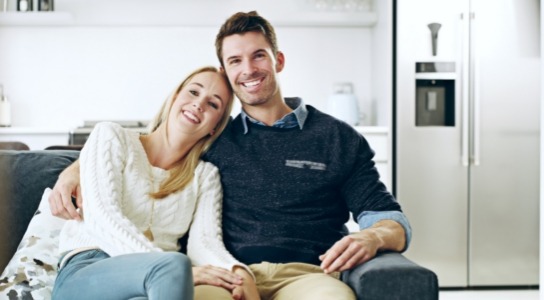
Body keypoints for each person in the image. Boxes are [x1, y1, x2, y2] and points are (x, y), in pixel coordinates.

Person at [49, 11, 412, 300]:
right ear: (227, 70)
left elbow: (388, 217)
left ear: (278, 60)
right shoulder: (216, 141)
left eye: (259, 56)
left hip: (308, 275)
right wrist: (75, 166)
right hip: (227, 276)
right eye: (235, 60)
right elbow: (148, 150)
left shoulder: (337, 138)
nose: (249, 69)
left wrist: (375, 237)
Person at [50, 66, 259, 300]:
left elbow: (205, 243)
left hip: (159, 285)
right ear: (174, 97)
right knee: (173, 265)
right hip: (88, 269)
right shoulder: (111, 136)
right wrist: (171, 268)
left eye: (213, 104)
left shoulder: (205, 176)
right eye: (193, 92)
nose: (199, 104)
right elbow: (102, 216)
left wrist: (238, 274)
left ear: (215, 127)